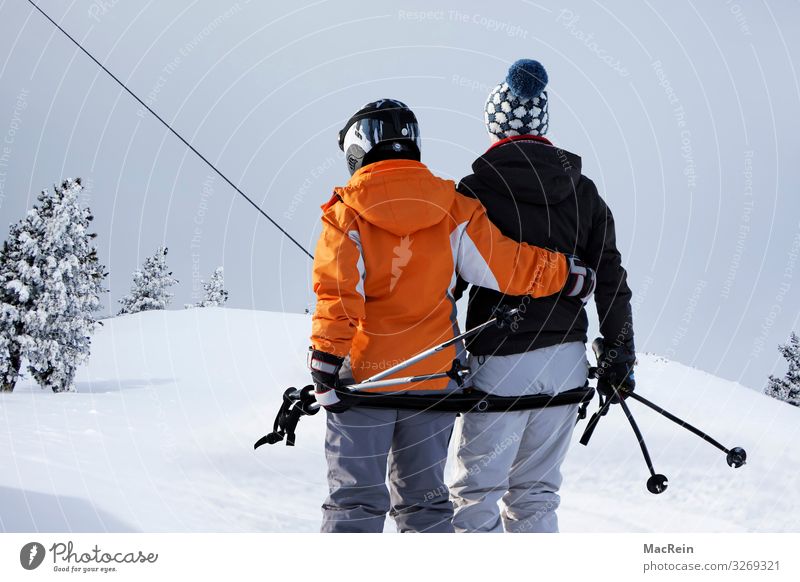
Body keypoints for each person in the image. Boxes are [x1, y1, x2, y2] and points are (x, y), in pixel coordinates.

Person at [308, 98, 597, 533]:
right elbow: (506, 266)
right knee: (424, 507)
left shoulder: (345, 212)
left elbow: (338, 297)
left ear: (357, 148)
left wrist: (325, 365)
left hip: (364, 383)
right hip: (430, 383)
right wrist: (567, 274)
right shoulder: (452, 205)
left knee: (354, 504)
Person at [450, 60, 636, 533]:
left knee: (476, 497)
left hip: (500, 360)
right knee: (536, 496)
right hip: (566, 363)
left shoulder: (473, 192)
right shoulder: (584, 192)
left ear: (496, 124)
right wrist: (618, 360)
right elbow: (611, 281)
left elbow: (447, 285)